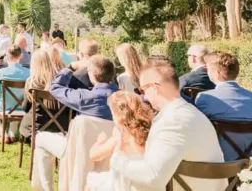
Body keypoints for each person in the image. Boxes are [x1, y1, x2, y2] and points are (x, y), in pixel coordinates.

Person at [109, 62, 225, 191]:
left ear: (155, 87)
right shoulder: (191, 112)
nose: (144, 96)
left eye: (142, 90)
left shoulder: (172, 121)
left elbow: (152, 177)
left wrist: (117, 160)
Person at [33, 56, 118, 191]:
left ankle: (45, 189)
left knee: (40, 138)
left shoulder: (84, 97)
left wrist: (70, 67)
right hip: (112, 152)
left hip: (79, 152)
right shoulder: (126, 100)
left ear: (93, 75)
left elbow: (55, 87)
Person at [86, 91, 155, 191]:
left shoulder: (121, 136)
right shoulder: (150, 132)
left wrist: (99, 141)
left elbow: (94, 155)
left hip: (123, 186)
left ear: (118, 117)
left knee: (90, 183)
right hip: (144, 184)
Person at [195, 51, 252, 161]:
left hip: (217, 158)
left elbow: (197, 128)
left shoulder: (205, 98)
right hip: (247, 156)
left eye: (207, 69)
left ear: (217, 73)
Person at [0, 45, 30, 142]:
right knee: (17, 102)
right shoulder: (29, 72)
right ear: (20, 56)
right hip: (22, 107)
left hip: (3, 107)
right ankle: (12, 134)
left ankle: (2, 133)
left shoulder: (1, 72)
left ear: (7, 57)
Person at [18, 49, 66, 142]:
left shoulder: (32, 82)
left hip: (36, 126)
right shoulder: (62, 81)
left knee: (25, 124)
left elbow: (26, 108)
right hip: (60, 125)